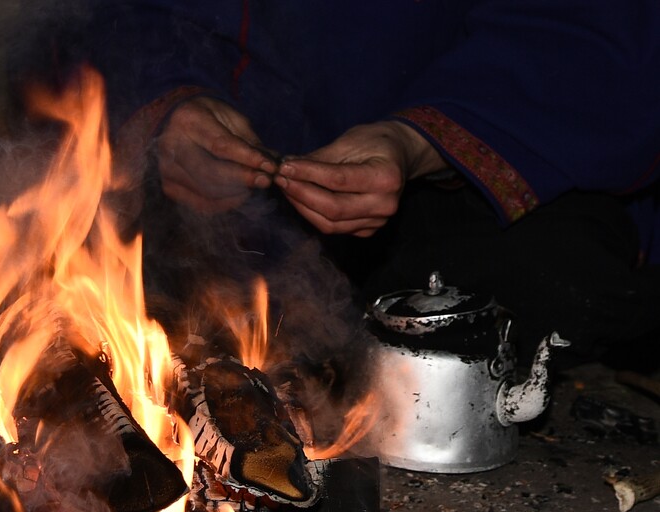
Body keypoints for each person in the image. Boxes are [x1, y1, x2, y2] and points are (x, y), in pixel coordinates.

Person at [80, 1, 660, 368]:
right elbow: (93, 23)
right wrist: (171, 106)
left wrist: (417, 143)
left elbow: (598, 40)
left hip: (464, 164)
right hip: (218, 188)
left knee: (516, 298)